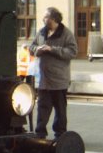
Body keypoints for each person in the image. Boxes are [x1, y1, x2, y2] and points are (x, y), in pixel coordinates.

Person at [28, 7, 77, 139]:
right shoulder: (41, 32)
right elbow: (31, 47)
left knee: (60, 110)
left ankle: (60, 135)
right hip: (44, 80)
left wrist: (52, 49)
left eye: (46, 17)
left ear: (54, 19)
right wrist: (36, 49)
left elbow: (72, 52)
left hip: (59, 80)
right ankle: (40, 133)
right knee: (42, 108)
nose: (44, 19)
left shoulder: (66, 34)